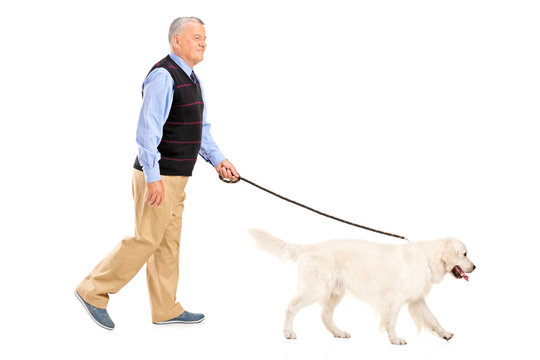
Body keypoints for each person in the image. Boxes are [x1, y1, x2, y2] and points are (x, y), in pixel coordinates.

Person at [75, 16, 239, 330]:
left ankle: (165, 308)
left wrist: (219, 160)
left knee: (167, 243)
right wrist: (153, 177)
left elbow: (200, 130)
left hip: (178, 177)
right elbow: (147, 131)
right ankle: (92, 291)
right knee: (146, 240)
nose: (203, 42)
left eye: (205, 37)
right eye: (196, 37)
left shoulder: (192, 79)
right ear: (176, 41)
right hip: (159, 176)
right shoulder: (164, 76)